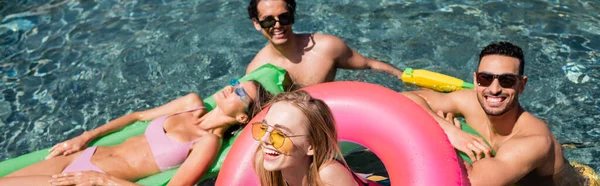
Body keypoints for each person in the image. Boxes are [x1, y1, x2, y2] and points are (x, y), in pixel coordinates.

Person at [0, 79, 272, 186]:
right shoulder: (190, 103)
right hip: (82, 156)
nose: (231, 86)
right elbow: (136, 116)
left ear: (242, 117)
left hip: (94, 179)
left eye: (239, 92)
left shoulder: (208, 142)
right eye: (235, 82)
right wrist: (84, 136)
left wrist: (100, 181)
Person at [401, 42, 588, 185]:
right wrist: (449, 130)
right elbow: (403, 99)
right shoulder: (470, 101)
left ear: (522, 85)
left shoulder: (533, 141)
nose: (494, 89)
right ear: (475, 80)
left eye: (507, 80)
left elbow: (469, 182)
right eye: (486, 78)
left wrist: (441, 137)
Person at [246, 0, 404, 88]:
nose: (278, 25)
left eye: (284, 17)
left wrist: (406, 79)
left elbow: (370, 65)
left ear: (292, 17)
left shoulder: (326, 48)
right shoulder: (256, 71)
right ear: (256, 23)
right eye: (268, 20)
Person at [253, 90, 373, 186]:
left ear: (311, 146)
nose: (264, 139)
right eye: (263, 127)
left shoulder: (328, 175)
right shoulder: (264, 164)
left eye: (280, 134)